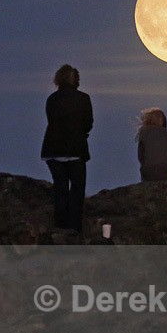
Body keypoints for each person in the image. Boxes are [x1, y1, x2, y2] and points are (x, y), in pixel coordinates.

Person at [41, 64, 93, 233]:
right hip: (75, 149)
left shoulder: (52, 99)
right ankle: (74, 227)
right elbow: (88, 123)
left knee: (60, 189)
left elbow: (51, 119)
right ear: (75, 79)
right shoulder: (83, 98)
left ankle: (60, 226)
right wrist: (80, 134)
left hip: (53, 150)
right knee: (77, 190)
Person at [136, 107, 167, 181]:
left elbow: (141, 157)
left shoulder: (144, 134)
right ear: (162, 121)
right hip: (166, 173)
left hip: (148, 174)